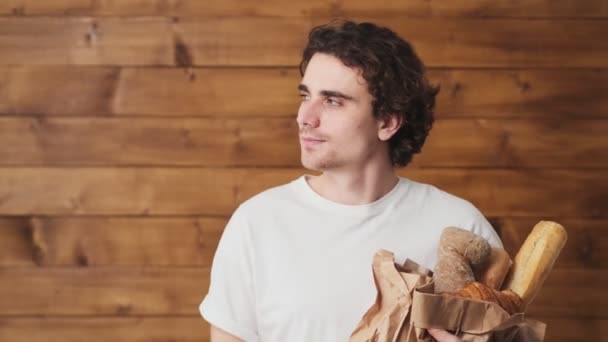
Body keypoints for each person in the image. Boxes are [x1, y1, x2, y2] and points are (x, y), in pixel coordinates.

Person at [199, 20, 502, 342]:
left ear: (387, 122)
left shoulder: (459, 226)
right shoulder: (258, 222)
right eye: (306, 96)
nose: (305, 117)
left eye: (332, 101)